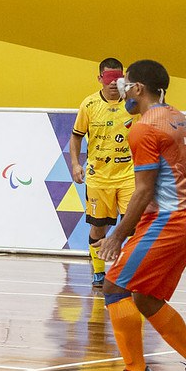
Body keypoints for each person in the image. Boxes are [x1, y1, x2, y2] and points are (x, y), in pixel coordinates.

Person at [96, 59, 186, 371]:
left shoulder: (143, 128)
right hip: (185, 219)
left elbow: (143, 190)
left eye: (125, 85)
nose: (121, 91)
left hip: (167, 220)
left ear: (138, 88)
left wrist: (118, 234)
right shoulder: (176, 117)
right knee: (147, 298)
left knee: (114, 286)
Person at [70, 58, 136, 287]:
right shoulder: (88, 105)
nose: (112, 83)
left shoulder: (133, 104)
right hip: (98, 177)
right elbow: (76, 136)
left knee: (133, 225)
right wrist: (75, 164)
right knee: (98, 226)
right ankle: (99, 272)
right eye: (108, 78)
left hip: (128, 175)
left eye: (117, 78)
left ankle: (126, 273)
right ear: (99, 79)